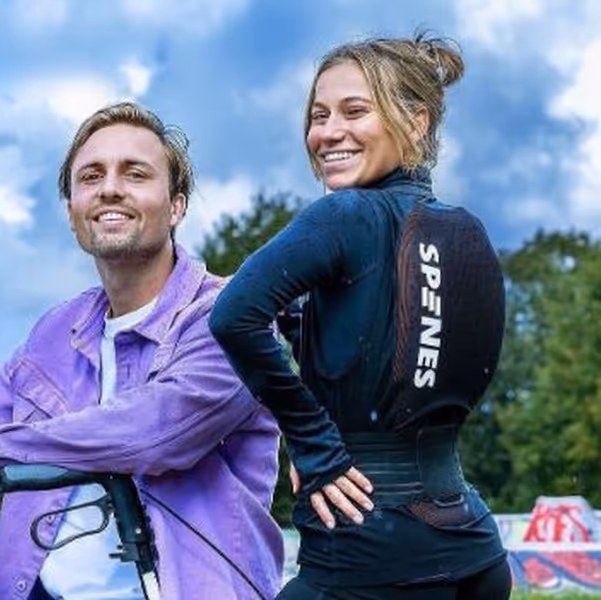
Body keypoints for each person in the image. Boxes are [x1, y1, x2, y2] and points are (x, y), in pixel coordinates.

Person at [0, 102, 284, 600]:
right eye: (90, 177)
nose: (109, 188)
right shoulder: (54, 331)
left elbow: (148, 435)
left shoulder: (227, 317)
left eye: (135, 173)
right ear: (72, 212)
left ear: (176, 206)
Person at [209, 34, 511, 600]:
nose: (327, 132)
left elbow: (235, 316)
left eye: (354, 111)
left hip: (365, 561)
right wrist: (303, 336)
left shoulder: (345, 214)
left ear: (416, 123)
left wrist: (313, 441)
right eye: (318, 115)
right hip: (474, 554)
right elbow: (392, 352)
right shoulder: (467, 232)